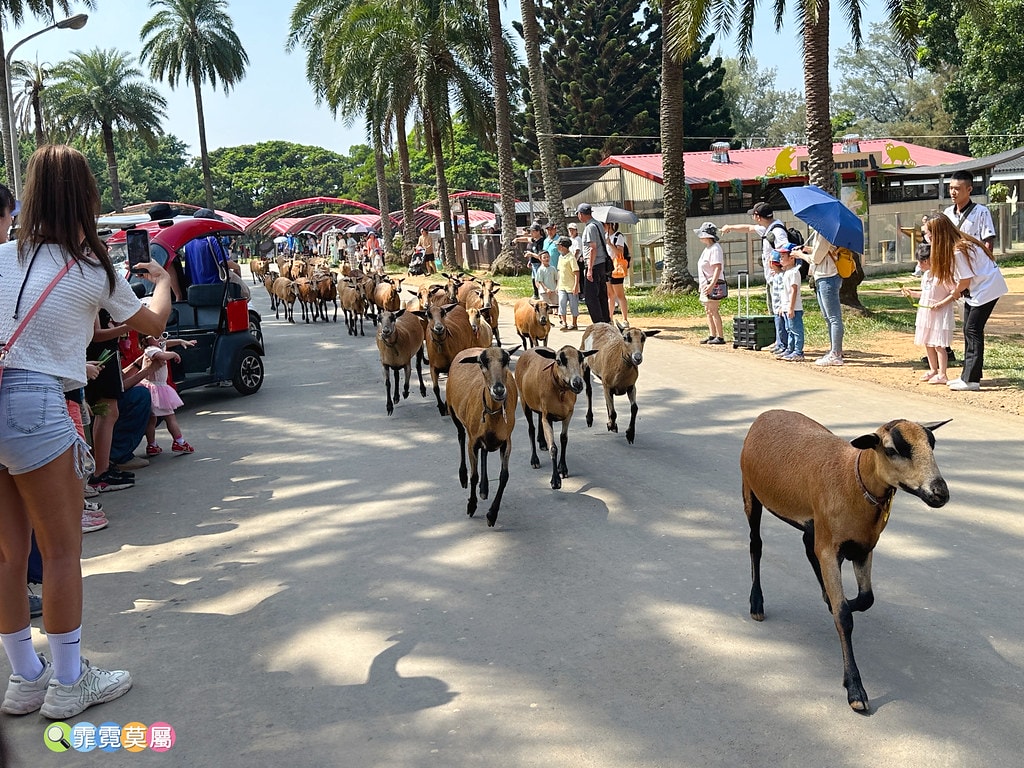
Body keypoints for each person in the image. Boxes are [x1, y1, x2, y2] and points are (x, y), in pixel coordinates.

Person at [0, 144, 171, 719]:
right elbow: (152, 322)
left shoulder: (1, 256)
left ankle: (25, 678)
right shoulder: (92, 267)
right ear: (85, 197)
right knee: (61, 550)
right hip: (37, 405)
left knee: (6, 554)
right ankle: (70, 682)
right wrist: (164, 280)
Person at [923, 214, 1008, 391]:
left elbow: (965, 281)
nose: (926, 237)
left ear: (938, 234)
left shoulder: (957, 250)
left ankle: (972, 380)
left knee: (972, 330)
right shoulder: (957, 245)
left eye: (928, 234)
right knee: (969, 329)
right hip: (978, 291)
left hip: (986, 289)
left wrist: (953, 294)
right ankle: (968, 376)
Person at [720, 202, 790, 346]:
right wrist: (730, 227)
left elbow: (786, 248)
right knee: (774, 309)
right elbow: (748, 228)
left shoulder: (777, 231)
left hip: (778, 278)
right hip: (772, 278)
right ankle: (779, 340)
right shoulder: (767, 228)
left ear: (758, 216)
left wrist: (776, 265)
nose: (752, 217)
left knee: (779, 310)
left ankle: (783, 342)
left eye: (753, 214)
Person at [900, 243, 955, 384]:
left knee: (939, 345)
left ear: (928, 260)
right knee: (928, 343)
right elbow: (926, 294)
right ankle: (933, 370)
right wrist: (912, 293)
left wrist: (941, 304)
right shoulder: (927, 276)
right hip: (927, 313)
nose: (920, 264)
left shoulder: (943, 275)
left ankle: (943, 374)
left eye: (921, 261)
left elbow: (955, 293)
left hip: (940, 314)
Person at [140, 334, 197, 455]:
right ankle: (179, 442)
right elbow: (160, 355)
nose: (161, 338)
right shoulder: (151, 349)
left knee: (152, 419)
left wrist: (181, 341)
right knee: (170, 417)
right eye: (156, 336)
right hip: (157, 389)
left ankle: (152, 445)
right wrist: (174, 354)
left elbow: (168, 343)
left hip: (152, 387)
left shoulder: (158, 346)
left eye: (163, 335)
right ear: (145, 340)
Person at [802, 233, 845, 366]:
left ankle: (836, 354)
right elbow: (821, 251)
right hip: (823, 277)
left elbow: (815, 259)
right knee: (829, 318)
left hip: (828, 277)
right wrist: (807, 249)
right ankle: (834, 351)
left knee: (833, 318)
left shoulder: (824, 234)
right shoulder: (822, 233)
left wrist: (800, 255)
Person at [944, 170, 996, 253]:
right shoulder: (947, 213)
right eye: (950, 188)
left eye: (957, 189)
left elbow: (988, 241)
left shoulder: (981, 212)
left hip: (975, 262)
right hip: (954, 262)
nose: (952, 192)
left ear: (969, 189)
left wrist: (985, 262)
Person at [577, 203, 611, 324]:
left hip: (594, 265)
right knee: (601, 294)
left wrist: (589, 269)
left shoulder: (590, 227)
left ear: (581, 214)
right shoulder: (598, 224)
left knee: (591, 297)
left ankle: (598, 323)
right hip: (601, 264)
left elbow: (593, 248)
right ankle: (606, 320)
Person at [694, 222, 725, 345]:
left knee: (714, 310)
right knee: (708, 310)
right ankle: (712, 334)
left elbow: (717, 268)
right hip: (705, 284)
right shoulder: (708, 249)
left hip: (713, 284)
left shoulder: (715, 249)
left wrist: (712, 284)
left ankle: (720, 336)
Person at [777, 244, 805, 361]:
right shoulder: (786, 273)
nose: (780, 259)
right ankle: (790, 348)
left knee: (796, 330)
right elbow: (784, 292)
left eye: (783, 256)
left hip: (794, 308)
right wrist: (782, 307)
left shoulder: (794, 272)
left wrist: (791, 308)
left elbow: (794, 291)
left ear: (792, 258)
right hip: (785, 307)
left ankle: (798, 352)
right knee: (789, 329)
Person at [605, 222, 631, 326]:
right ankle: (610, 318)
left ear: (610, 225)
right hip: (607, 268)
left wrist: (610, 244)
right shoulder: (605, 236)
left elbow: (619, 252)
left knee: (620, 295)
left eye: (604, 224)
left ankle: (625, 319)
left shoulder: (618, 236)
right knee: (610, 295)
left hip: (616, 268)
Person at [555, 236, 580, 331]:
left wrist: (576, 285)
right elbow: (559, 271)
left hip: (571, 286)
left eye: (559, 245)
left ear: (563, 246)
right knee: (562, 303)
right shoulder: (560, 257)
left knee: (573, 305)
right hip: (562, 285)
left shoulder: (571, 258)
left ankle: (574, 323)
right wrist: (558, 285)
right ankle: (564, 322)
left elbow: (576, 272)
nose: (557, 247)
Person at [766, 252, 788, 356]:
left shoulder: (780, 276)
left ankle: (783, 345)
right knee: (778, 327)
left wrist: (781, 306)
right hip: (776, 308)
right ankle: (779, 344)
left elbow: (781, 293)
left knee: (781, 328)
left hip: (779, 308)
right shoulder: (776, 276)